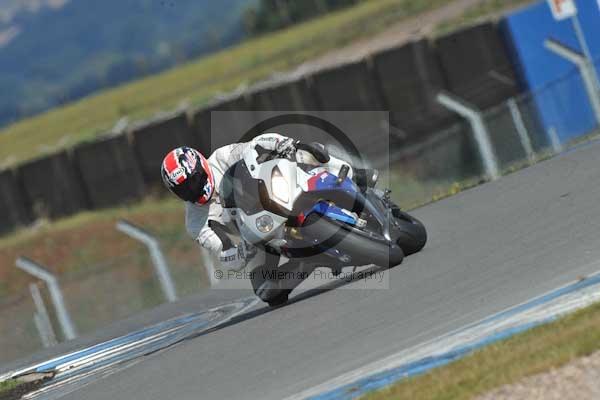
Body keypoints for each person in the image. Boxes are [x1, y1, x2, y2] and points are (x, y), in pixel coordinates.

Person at [161, 133, 375, 299]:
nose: (193, 190)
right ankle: (314, 261)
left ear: (200, 165)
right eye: (184, 189)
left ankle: (355, 175)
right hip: (257, 234)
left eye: (194, 180)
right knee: (266, 290)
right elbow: (224, 253)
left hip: (275, 192)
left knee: (307, 151)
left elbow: (256, 144)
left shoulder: (222, 156)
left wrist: (286, 143)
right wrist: (241, 252)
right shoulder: (196, 223)